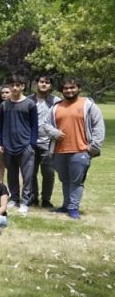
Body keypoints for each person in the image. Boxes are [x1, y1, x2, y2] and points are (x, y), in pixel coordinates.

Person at [48, 78, 105, 220]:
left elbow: (98, 126)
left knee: (76, 181)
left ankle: (73, 208)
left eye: (72, 87)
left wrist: (93, 148)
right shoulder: (56, 107)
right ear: (62, 90)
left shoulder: (89, 105)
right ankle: (66, 205)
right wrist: (54, 132)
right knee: (65, 180)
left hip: (80, 151)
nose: (69, 90)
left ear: (79, 88)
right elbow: (45, 125)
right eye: (66, 88)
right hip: (59, 151)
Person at [0, 75, 37, 215]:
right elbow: (1, 125)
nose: (14, 88)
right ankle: (14, 198)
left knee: (27, 175)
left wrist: (31, 144)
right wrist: (1, 143)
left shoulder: (30, 104)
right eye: (12, 85)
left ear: (22, 86)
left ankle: (25, 201)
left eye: (17, 85)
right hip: (8, 145)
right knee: (11, 173)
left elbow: (34, 125)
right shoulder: (4, 105)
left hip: (25, 145)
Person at [28, 75, 60, 208]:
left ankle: (46, 199)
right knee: (31, 172)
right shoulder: (29, 100)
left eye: (47, 82)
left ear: (50, 85)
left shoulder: (56, 101)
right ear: (36, 84)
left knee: (48, 173)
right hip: (31, 142)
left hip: (49, 143)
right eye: (41, 82)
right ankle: (33, 197)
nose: (44, 84)